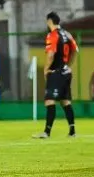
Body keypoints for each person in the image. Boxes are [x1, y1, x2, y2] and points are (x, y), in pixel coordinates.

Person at [33, 11, 79, 139]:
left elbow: (51, 54)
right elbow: (75, 50)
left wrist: (46, 69)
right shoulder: (67, 34)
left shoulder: (52, 35)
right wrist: (68, 65)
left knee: (49, 100)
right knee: (65, 101)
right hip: (66, 72)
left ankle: (46, 132)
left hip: (55, 72)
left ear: (49, 21)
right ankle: (72, 131)